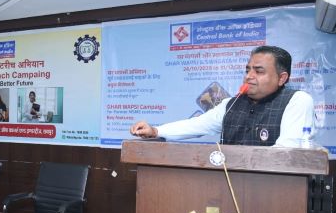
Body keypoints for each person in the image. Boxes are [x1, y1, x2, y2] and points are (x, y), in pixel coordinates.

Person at [130, 45, 315, 147]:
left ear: (282, 78)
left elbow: (287, 150)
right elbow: (197, 125)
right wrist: (156, 131)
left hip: (273, 193)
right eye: (248, 70)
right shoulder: (232, 104)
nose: (249, 76)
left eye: (259, 71)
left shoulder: (297, 101)